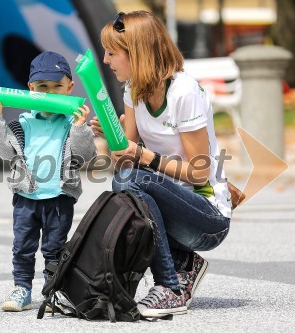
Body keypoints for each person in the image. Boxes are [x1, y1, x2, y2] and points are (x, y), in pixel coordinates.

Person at [92, 11, 232, 318]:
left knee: (133, 179)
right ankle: (182, 263)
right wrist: (113, 134)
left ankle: (170, 286)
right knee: (125, 180)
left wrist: (142, 155)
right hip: (172, 207)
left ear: (137, 54)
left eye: (112, 53)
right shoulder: (132, 89)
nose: (105, 60)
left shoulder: (184, 92)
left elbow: (199, 172)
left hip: (207, 215)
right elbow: (124, 162)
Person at [0, 51, 97, 312]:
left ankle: (53, 290)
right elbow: (5, 151)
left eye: (58, 86)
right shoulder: (22, 124)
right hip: (26, 197)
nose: (50, 93)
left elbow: (84, 156)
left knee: (54, 249)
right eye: (43, 87)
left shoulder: (72, 123)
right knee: (22, 247)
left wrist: (80, 128)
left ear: (70, 88)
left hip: (59, 197)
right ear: (31, 89)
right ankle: (21, 288)